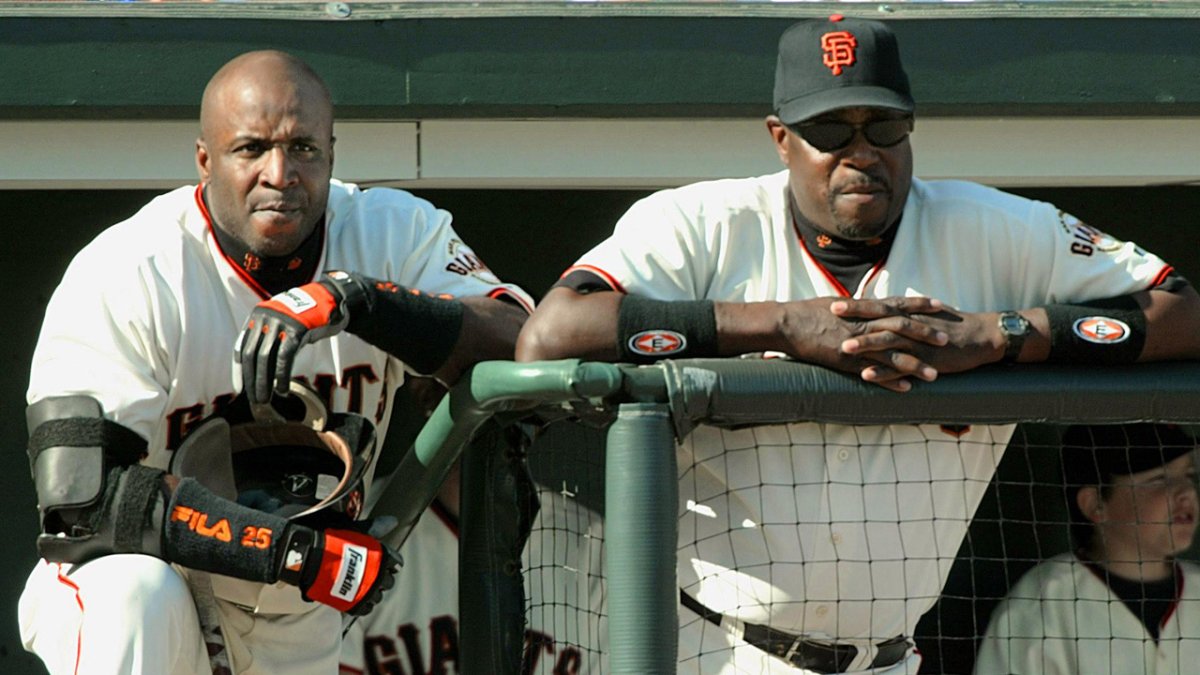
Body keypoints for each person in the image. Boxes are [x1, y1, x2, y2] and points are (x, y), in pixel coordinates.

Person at [515, 13, 1200, 674]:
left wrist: (1004, 332)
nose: (861, 149)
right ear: (780, 138)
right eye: (831, 128)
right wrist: (780, 325)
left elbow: (1183, 308)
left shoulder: (994, 230)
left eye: (884, 124)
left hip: (889, 656)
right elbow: (550, 335)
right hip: (712, 648)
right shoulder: (702, 225)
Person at [19, 49, 532, 675]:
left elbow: (524, 346)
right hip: (154, 571)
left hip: (296, 602)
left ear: (333, 152)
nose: (280, 173)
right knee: (135, 596)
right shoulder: (130, 269)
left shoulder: (392, 233)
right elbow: (82, 504)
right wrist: (288, 552)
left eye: (304, 149)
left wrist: (361, 300)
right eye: (251, 149)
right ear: (204, 160)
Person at [974, 424, 1200, 675]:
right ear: (1094, 503)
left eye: (1189, 475)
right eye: (1159, 479)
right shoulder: (1041, 602)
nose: (1186, 492)